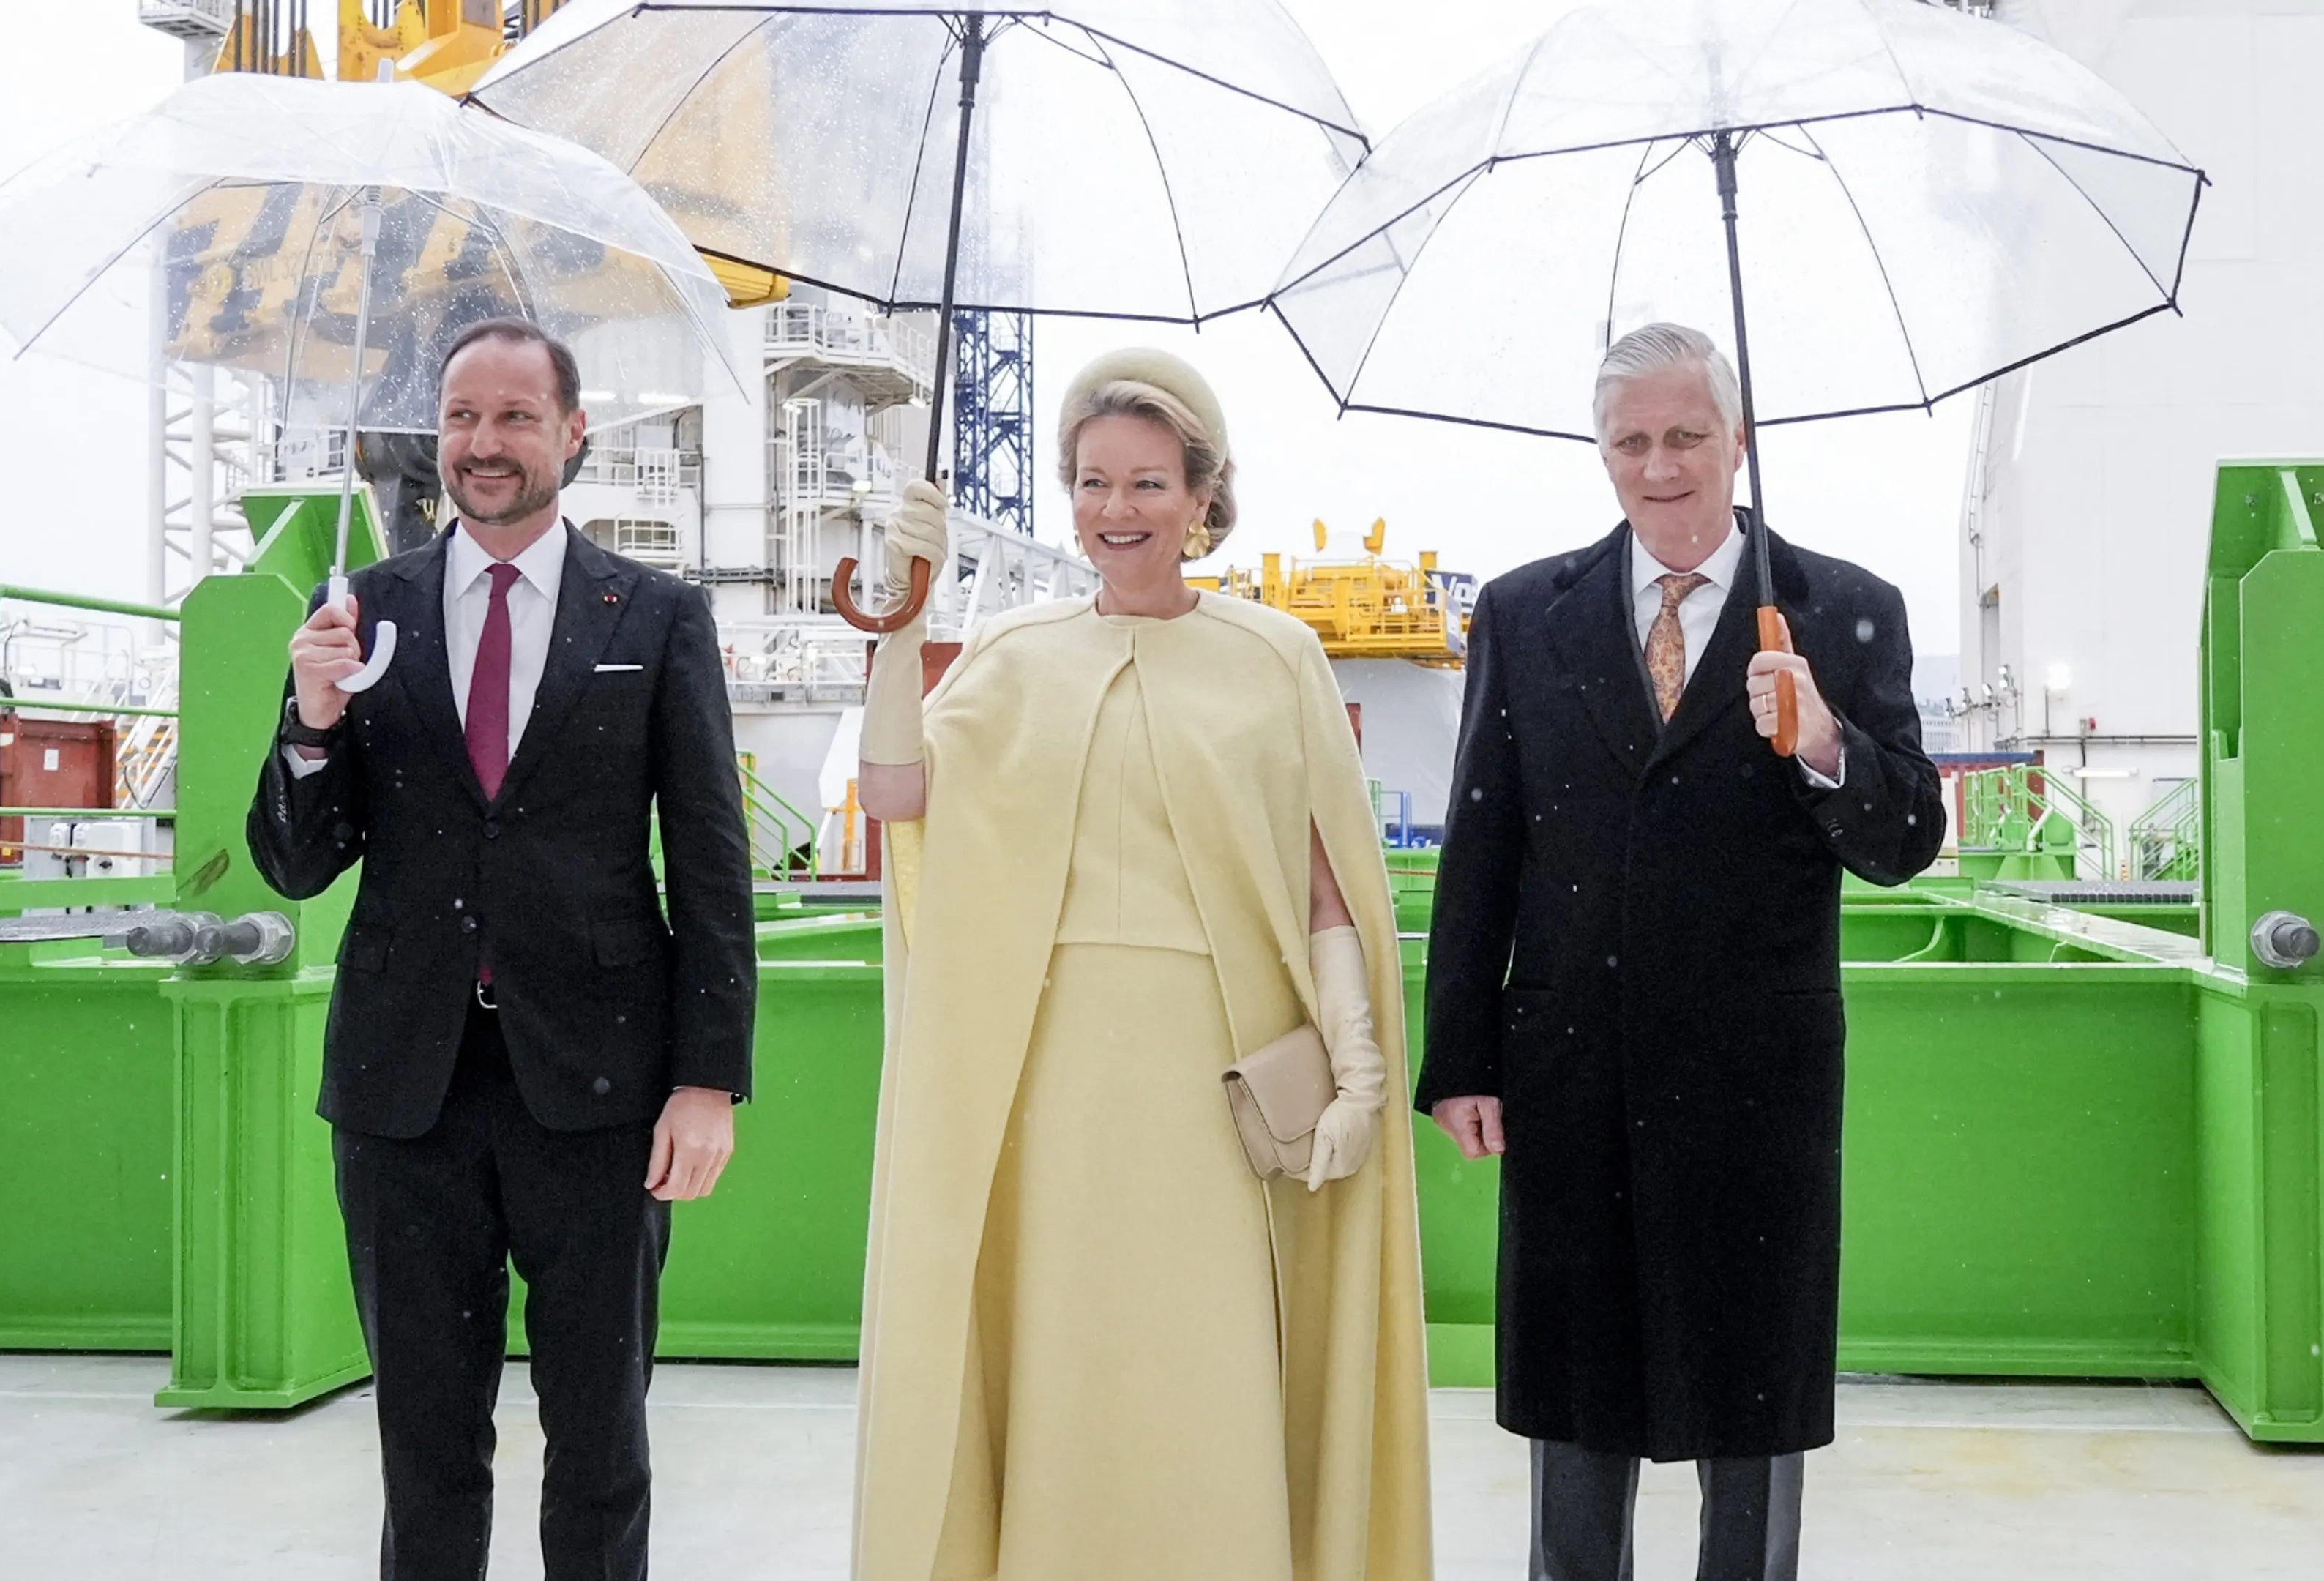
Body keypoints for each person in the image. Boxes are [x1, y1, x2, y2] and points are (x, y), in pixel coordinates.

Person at [848, 349, 1435, 1581]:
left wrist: (1360, 1063)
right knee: (1065, 1348)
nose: (1118, 510)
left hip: (1212, 1077)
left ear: (1204, 496)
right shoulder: (1011, 651)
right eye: (1094, 482)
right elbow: (900, 798)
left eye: (1150, 483)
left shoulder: (1276, 656)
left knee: (1203, 1359)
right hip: (1053, 1079)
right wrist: (900, 629)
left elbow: (1325, 886)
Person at [1416, 323, 1945, 1581]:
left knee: (1753, 1395)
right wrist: (1461, 1056)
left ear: (1738, 440)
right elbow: (1483, 846)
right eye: (1632, 442)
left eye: (1687, 437)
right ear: (1602, 453)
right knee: (1576, 1401)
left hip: (1754, 1080)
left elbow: (1909, 839)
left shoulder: (1845, 611)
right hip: (1572, 1068)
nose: (1660, 467)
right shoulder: (1523, 613)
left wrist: (1825, 742)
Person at [247, 315, 756, 1581]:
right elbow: (299, 862)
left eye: (516, 417)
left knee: (601, 1438)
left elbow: (710, 859)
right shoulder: (361, 613)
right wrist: (312, 717)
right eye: (463, 417)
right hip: (404, 1089)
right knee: (423, 1442)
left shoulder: (656, 616)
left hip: (599, 1087)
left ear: (572, 434)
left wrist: (709, 1079)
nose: (485, 442)